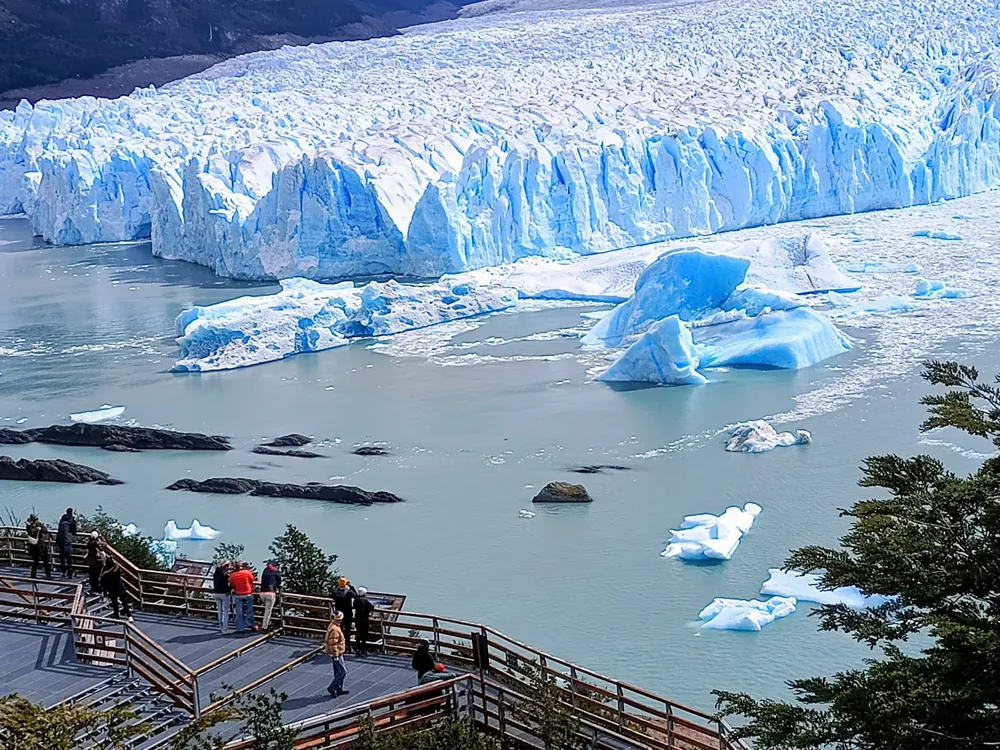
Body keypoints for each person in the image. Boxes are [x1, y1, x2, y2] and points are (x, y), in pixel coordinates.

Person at [325, 610, 348, 697]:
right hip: (337, 654)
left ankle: (339, 689)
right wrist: (336, 656)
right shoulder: (335, 629)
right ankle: (332, 688)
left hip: (336, 653)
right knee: (343, 672)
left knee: (337, 672)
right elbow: (333, 644)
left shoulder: (333, 626)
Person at [229, 561, 256, 633]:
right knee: (249, 610)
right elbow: (252, 580)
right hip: (248, 593)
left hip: (238, 594)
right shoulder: (247, 572)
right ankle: (250, 624)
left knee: (239, 611)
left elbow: (232, 584)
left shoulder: (233, 575)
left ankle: (240, 628)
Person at [332, 577, 357, 652]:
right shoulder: (348, 592)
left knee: (339, 629)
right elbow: (355, 595)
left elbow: (331, 595)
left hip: (338, 614)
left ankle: (339, 645)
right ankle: (347, 645)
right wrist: (351, 586)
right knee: (347, 630)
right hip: (347, 613)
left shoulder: (335, 592)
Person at [25, 514, 52, 580]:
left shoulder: (39, 524)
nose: (35, 521)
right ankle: (33, 575)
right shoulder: (29, 525)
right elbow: (30, 533)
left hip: (41, 545)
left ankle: (48, 574)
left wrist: (41, 529)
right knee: (35, 561)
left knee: (45, 561)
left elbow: (46, 531)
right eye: (34, 520)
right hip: (34, 546)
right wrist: (30, 527)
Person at [55, 508, 77, 579]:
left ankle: (64, 572)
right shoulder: (71, 520)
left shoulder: (62, 519)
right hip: (67, 541)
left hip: (60, 541)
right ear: (72, 513)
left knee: (62, 557)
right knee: (68, 558)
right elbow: (74, 530)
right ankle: (70, 573)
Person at [259, 561, 281, 631]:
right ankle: (265, 627)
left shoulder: (265, 570)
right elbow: (279, 581)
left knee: (267, 609)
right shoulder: (276, 571)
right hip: (270, 592)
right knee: (268, 611)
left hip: (262, 593)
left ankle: (268, 623)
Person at [353, 587, 375, 655]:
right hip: (365, 619)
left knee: (358, 633)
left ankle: (357, 649)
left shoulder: (356, 600)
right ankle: (363, 649)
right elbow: (371, 606)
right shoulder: (366, 600)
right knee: (364, 634)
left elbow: (354, 606)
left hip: (357, 619)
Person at [213, 560, 232, 634]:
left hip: (216, 592)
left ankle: (221, 626)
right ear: (226, 566)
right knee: (226, 611)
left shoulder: (216, 572)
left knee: (220, 611)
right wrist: (230, 588)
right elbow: (225, 585)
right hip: (224, 593)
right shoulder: (224, 574)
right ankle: (225, 629)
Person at [84, 531, 106, 595]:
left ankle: (95, 590)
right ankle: (100, 590)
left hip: (92, 562)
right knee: (99, 576)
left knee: (92, 577)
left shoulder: (90, 543)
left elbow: (87, 545)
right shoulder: (99, 543)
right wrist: (101, 537)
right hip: (100, 562)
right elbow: (105, 544)